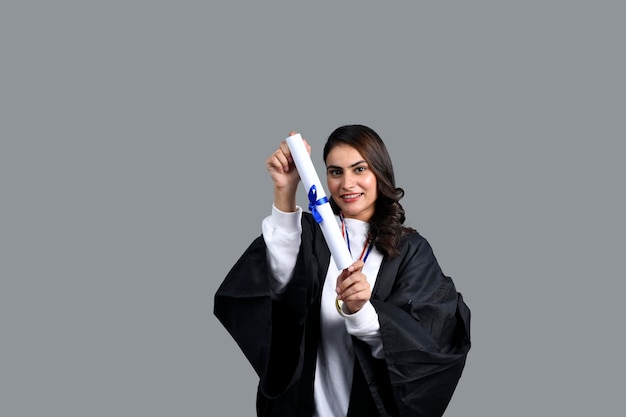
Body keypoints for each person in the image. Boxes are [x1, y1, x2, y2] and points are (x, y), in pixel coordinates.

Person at [214, 124, 471, 417]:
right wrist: (284, 192)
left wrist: (363, 311)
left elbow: (427, 346)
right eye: (336, 172)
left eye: (359, 169)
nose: (347, 183)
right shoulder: (311, 233)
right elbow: (278, 291)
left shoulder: (410, 250)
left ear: (379, 173)